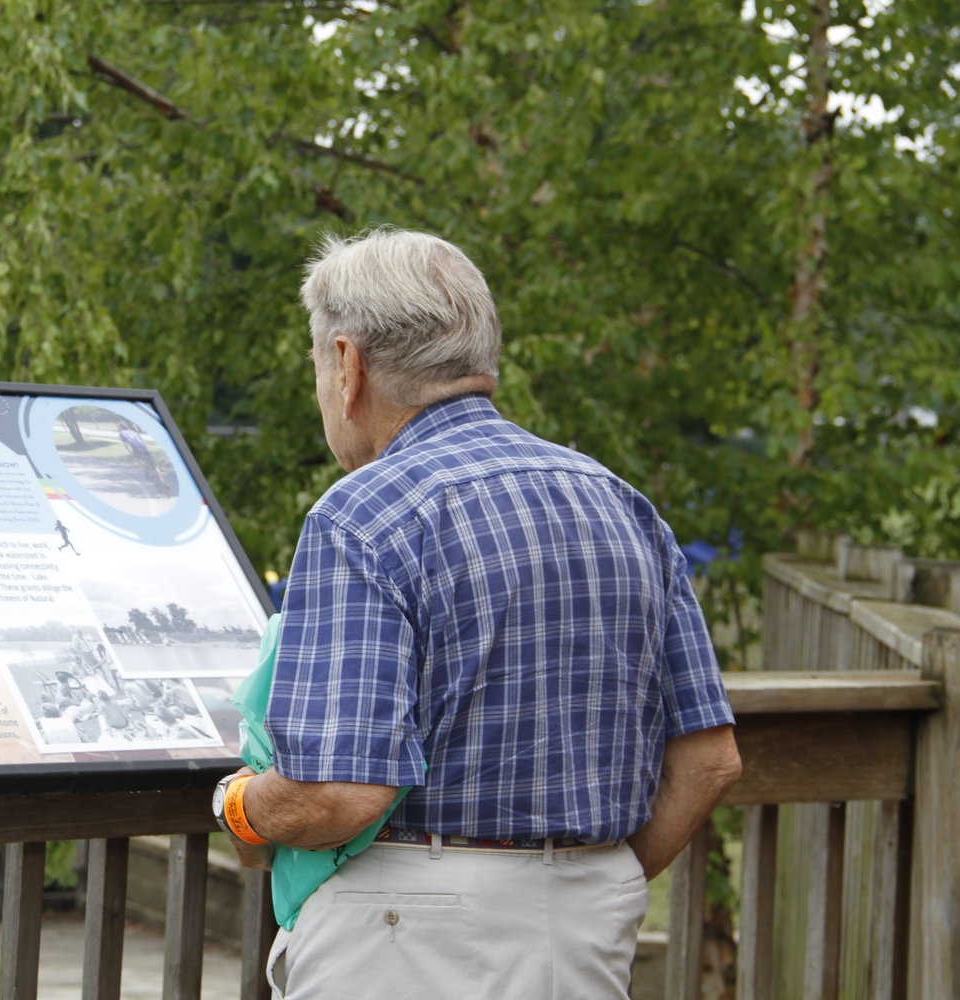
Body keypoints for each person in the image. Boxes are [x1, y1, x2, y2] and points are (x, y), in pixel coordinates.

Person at [214, 228, 741, 1000]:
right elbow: (710, 761)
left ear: (348, 365)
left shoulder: (361, 515)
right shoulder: (620, 501)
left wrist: (239, 809)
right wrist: (602, 876)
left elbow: (340, 794)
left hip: (403, 937)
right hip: (588, 927)